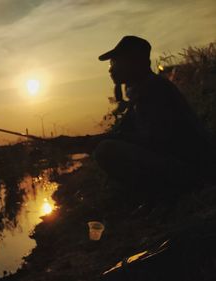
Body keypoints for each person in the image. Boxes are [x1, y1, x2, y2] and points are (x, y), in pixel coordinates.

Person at [56, 36, 213, 199]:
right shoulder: (142, 91)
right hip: (185, 165)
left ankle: (162, 195)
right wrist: (79, 142)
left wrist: (93, 143)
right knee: (105, 146)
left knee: (106, 150)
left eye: (114, 63)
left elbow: (156, 141)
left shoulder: (153, 90)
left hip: (193, 169)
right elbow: (122, 132)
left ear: (134, 62)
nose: (110, 69)